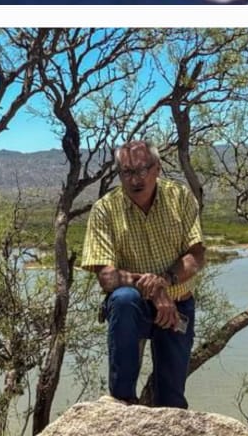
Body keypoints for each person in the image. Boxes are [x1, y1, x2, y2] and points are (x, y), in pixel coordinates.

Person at [80, 140, 205, 408]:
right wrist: (153, 287)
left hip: (176, 306)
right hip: (134, 306)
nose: (135, 179)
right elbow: (107, 277)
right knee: (123, 299)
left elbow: (196, 256)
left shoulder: (180, 198)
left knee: (171, 398)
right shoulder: (105, 209)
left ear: (157, 168)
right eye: (127, 172)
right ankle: (122, 400)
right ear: (119, 175)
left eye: (142, 169)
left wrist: (166, 281)